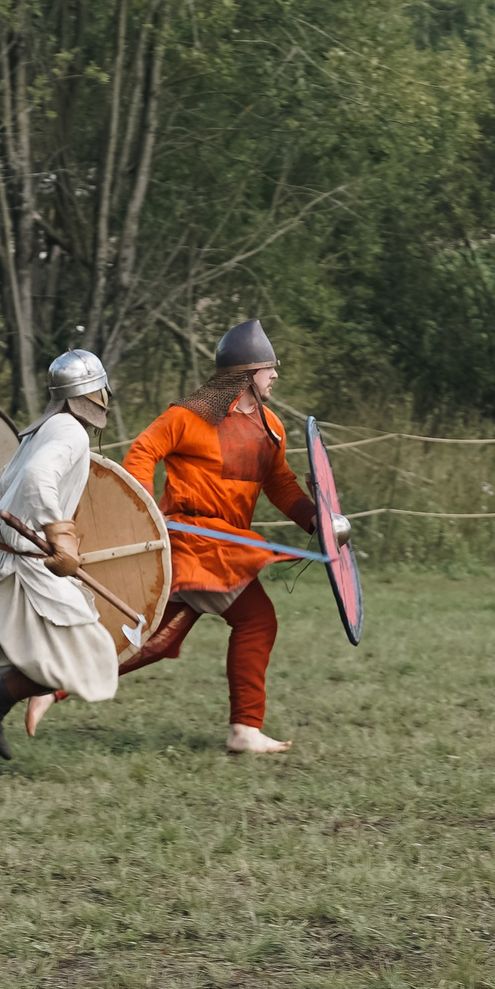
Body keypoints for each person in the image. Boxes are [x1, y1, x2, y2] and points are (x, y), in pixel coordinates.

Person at [96, 318, 347, 755]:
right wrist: (145, 513)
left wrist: (316, 523)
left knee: (158, 638)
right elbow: (143, 451)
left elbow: (281, 485)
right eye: (269, 368)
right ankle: (244, 729)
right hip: (193, 540)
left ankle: (51, 684)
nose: (275, 375)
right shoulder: (189, 416)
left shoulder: (271, 428)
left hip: (225, 544)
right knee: (256, 619)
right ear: (246, 374)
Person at [0, 348, 118, 775]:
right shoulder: (70, 431)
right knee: (84, 656)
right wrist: (59, 535)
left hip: (7, 559)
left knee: (15, 666)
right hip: (24, 566)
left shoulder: (45, 428)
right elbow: (37, 481)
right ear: (92, 393)